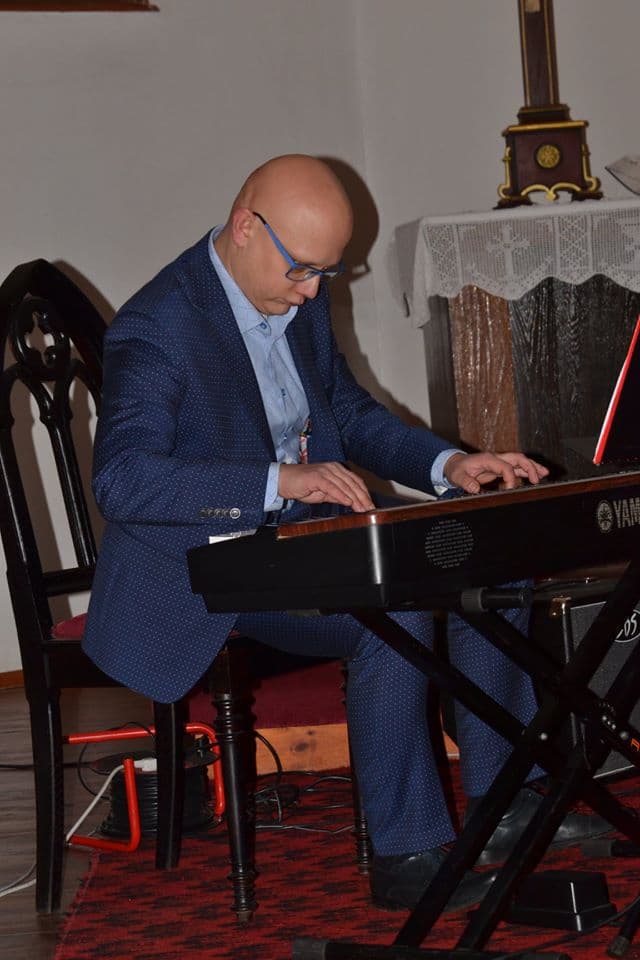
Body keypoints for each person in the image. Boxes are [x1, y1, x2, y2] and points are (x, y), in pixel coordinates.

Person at [83, 154, 608, 912]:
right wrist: (279, 481)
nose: (310, 292)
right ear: (244, 227)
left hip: (305, 538)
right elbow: (123, 481)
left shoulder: (296, 291)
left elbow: (350, 414)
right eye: (301, 270)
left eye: (325, 274)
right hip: (204, 564)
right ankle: (406, 856)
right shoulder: (158, 326)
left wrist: (450, 464)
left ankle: (507, 803)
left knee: (490, 554)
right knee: (390, 614)